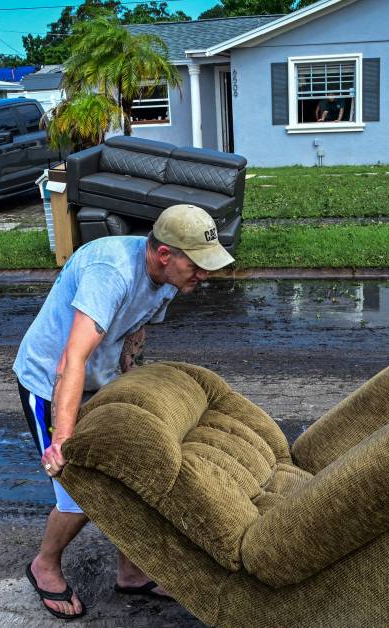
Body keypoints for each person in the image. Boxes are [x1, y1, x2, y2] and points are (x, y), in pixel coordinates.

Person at [14, 204, 235, 620]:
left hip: (100, 378)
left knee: (128, 472)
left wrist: (129, 370)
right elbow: (70, 362)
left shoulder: (168, 279)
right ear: (165, 254)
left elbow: (136, 325)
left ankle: (130, 573)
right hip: (50, 383)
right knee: (78, 488)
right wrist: (63, 438)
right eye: (198, 265)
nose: (204, 275)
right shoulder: (110, 271)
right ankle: (44, 566)